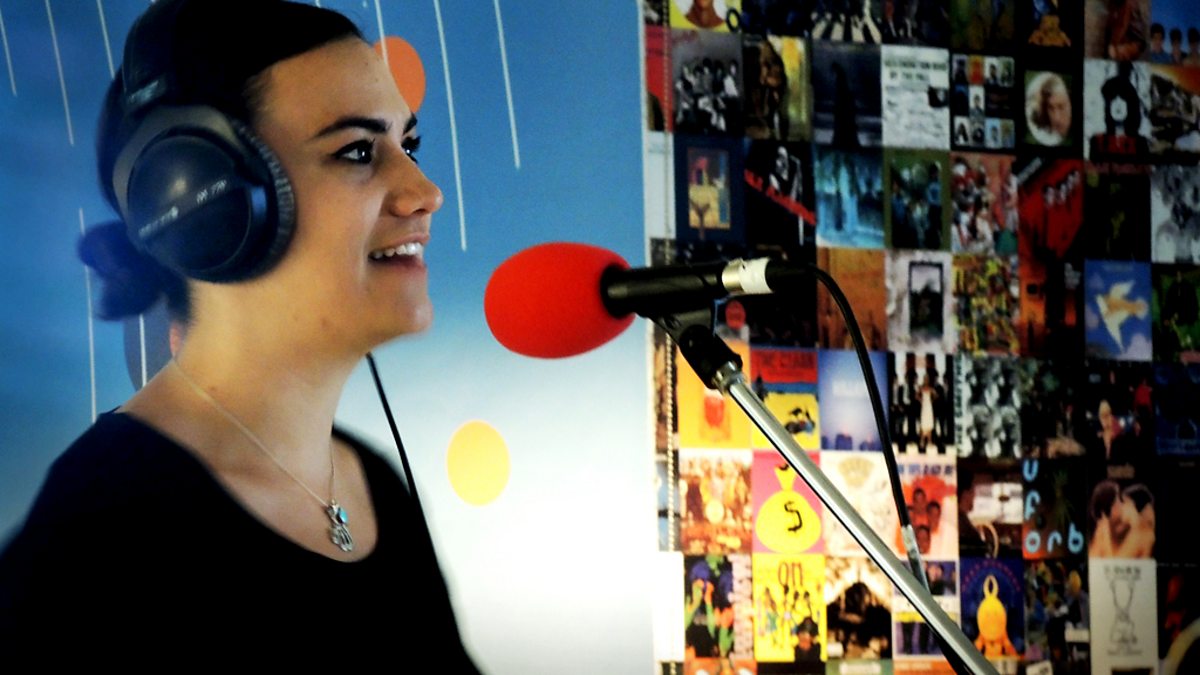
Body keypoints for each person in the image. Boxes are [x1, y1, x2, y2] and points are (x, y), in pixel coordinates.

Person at [0, 1, 481, 667]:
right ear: (199, 197)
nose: (425, 191)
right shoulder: (100, 528)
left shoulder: (373, 482)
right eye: (357, 151)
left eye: (410, 146)